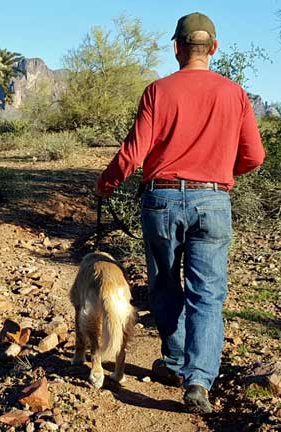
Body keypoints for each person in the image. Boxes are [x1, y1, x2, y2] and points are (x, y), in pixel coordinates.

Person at [96, 12, 265, 414]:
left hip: (162, 200)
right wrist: (222, 173)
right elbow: (255, 156)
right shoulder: (235, 94)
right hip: (213, 201)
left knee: (165, 286)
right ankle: (198, 380)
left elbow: (132, 154)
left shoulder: (158, 91)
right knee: (207, 294)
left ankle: (173, 362)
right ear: (214, 49)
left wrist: (106, 183)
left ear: (176, 48)